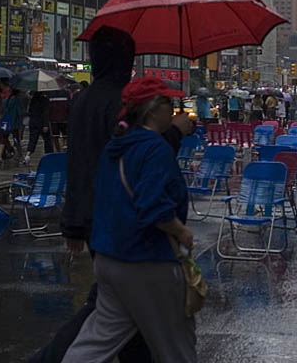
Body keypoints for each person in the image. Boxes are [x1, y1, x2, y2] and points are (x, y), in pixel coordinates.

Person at [30, 27, 153, 363]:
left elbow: (78, 162)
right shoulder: (121, 104)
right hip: (122, 222)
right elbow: (133, 161)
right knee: (114, 307)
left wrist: (73, 222)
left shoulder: (83, 99)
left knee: (124, 310)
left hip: (96, 219)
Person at [61, 77, 196, 363]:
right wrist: (182, 232)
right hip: (146, 261)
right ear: (152, 109)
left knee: (96, 342)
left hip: (109, 259)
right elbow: (154, 207)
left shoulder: (116, 146)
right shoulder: (155, 148)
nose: (172, 111)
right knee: (176, 346)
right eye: (168, 104)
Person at [0, 87, 25, 168]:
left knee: (3, 139)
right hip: (14, 123)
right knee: (16, 139)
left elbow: (2, 111)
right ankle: (21, 157)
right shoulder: (17, 100)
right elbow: (20, 112)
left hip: (6, 123)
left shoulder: (6, 100)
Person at [25, 90, 54, 165]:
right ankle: (49, 156)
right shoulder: (45, 100)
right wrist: (45, 124)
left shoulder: (32, 100)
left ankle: (27, 155)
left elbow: (29, 111)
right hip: (42, 123)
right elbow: (46, 113)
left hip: (33, 122)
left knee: (32, 140)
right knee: (47, 141)